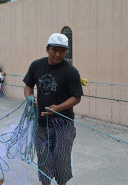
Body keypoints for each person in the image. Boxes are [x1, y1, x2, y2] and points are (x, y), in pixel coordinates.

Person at [23, 33, 83, 185]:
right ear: (47, 49)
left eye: (62, 51)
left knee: (62, 161)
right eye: (54, 50)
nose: (57, 54)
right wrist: (29, 97)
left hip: (64, 125)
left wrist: (58, 108)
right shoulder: (37, 65)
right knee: (44, 162)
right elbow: (28, 85)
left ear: (66, 51)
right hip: (41, 123)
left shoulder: (71, 72)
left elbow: (76, 97)